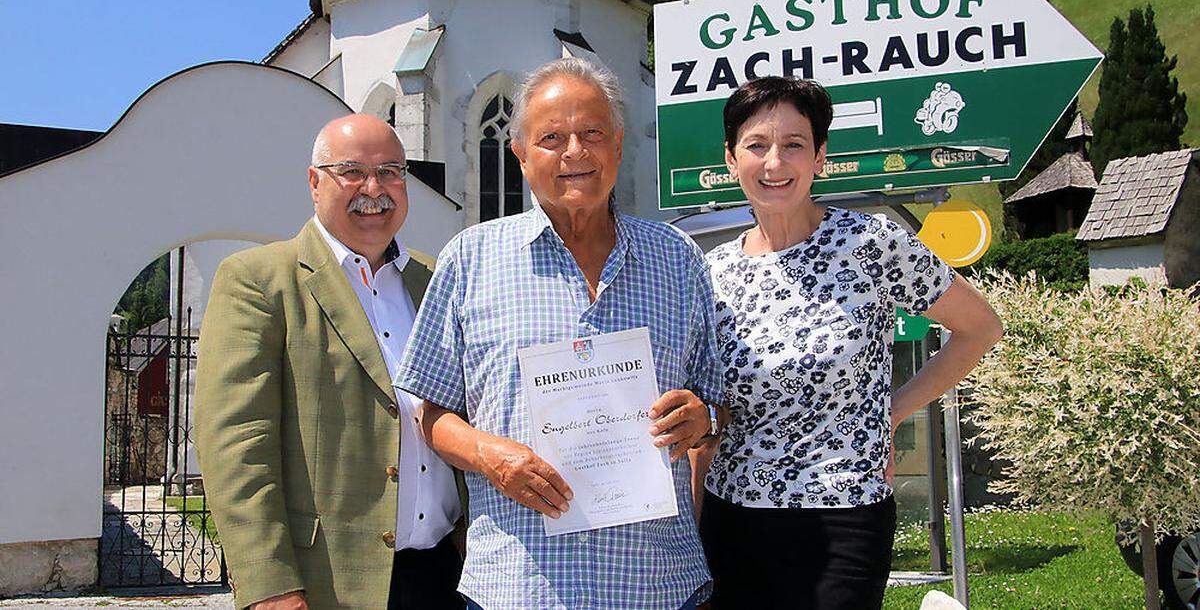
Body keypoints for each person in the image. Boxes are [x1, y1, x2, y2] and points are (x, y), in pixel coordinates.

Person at [396, 57, 725, 610]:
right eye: (551, 137)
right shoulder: (470, 260)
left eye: (592, 133)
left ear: (618, 146)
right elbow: (426, 411)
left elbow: (716, 404)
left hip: (659, 584)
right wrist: (487, 453)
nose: (575, 151)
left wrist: (703, 418)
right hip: (517, 586)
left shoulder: (678, 258)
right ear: (520, 154)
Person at [692, 77, 1003, 609]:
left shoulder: (871, 244)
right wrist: (695, 529)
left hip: (845, 513)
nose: (775, 163)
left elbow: (979, 329)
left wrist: (896, 410)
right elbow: (711, 419)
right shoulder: (712, 272)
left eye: (794, 144)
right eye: (757, 145)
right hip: (736, 518)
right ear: (730, 158)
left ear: (819, 158)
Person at [195, 114, 465, 610]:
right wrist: (268, 584)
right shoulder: (259, 280)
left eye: (390, 171)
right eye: (352, 171)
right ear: (314, 182)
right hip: (330, 582)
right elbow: (236, 443)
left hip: (449, 573)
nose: (374, 188)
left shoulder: (435, 280)